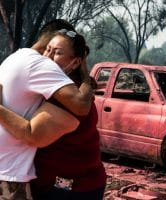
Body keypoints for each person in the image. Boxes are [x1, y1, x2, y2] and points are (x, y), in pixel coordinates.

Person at [0, 28, 106, 200]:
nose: (47, 57)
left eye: (57, 53)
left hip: (70, 187)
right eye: (47, 49)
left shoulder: (70, 98)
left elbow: (33, 135)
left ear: (75, 62)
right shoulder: (59, 88)